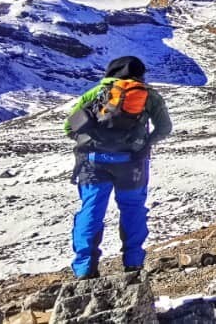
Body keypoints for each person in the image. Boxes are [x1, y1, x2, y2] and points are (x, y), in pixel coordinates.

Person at [64, 56, 172, 279]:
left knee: (91, 210)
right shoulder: (148, 95)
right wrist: (144, 145)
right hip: (132, 163)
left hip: (93, 162)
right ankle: (133, 265)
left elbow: (69, 126)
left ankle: (85, 268)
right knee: (133, 209)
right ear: (141, 74)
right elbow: (164, 127)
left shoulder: (95, 93)